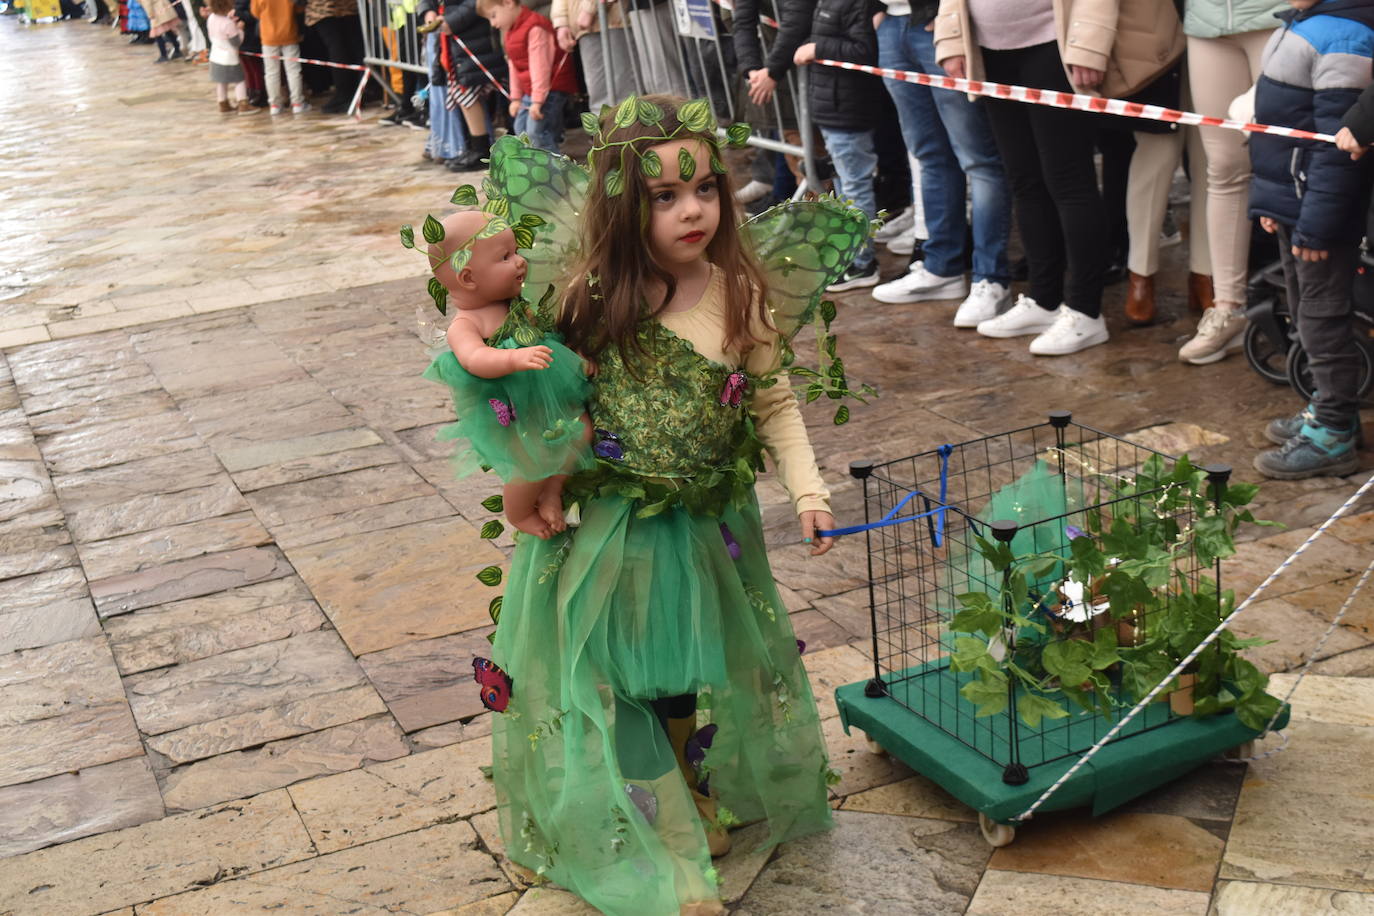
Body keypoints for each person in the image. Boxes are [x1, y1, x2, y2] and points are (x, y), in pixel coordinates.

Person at [484, 96, 841, 916]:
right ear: (622, 204)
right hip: (611, 531)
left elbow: (773, 401)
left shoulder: (739, 292)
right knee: (620, 678)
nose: (693, 212)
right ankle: (670, 845)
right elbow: (546, 413)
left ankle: (690, 782)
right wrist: (529, 493)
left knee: (680, 668)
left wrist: (810, 494)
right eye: (665, 197)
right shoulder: (590, 303)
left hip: (706, 526)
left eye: (706, 190)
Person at [934, 0, 1183, 356]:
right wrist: (952, 40)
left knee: (1068, 180)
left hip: (1054, 48)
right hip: (990, 51)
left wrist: (1089, 47)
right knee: (1024, 180)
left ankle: (1085, 312)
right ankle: (1043, 299)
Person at [1250, 0, 1374, 478]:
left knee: (1323, 318)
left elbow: (1337, 148)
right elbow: (1276, 132)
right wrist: (1270, 205)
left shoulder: (1345, 37)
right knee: (1303, 309)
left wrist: (1318, 223)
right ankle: (1325, 406)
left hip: (1321, 217)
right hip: (1294, 206)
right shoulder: (1298, 24)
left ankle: (1335, 431)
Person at [424, 211, 593, 536]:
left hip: (546, 394)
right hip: (509, 409)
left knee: (582, 430)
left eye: (516, 251)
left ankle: (553, 490)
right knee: (528, 463)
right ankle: (519, 513)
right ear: (469, 278)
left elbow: (548, 336)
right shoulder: (466, 324)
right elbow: (475, 358)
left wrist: (577, 360)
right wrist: (513, 358)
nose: (519, 262)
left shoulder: (516, 305)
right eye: (505, 257)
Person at [870, 0, 1014, 328]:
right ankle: (941, 267)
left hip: (936, 21)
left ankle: (990, 278)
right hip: (893, 22)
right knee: (930, 154)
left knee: (978, 159)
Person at [1178, 0, 1288, 363]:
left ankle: (1313, 309)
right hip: (1207, 23)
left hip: (1278, 16)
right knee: (1223, 167)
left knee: (1290, 160)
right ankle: (1227, 308)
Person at [794, 0, 882, 290]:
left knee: (855, 186)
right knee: (845, 185)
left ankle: (863, 262)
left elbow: (864, 51)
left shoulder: (857, 4)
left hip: (848, 110)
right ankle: (850, 254)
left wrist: (818, 48)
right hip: (832, 109)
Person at [476, 0, 575, 153]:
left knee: (537, 132)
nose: (493, 24)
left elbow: (540, 68)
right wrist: (515, 98)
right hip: (532, 90)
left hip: (550, 88)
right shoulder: (510, 31)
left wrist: (537, 102)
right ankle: (533, 168)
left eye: (493, 16)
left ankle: (554, 172)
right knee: (520, 128)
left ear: (508, 3)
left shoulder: (535, 27)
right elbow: (514, 67)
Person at [552, 0, 636, 112]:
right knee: (598, 97)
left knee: (623, 93)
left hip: (613, 19)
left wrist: (589, 8)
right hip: (583, 25)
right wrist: (561, 22)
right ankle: (604, 128)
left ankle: (629, 128)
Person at [251, 0, 307, 113]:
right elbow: (299, 9)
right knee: (293, 70)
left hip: (268, 36)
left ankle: (274, 105)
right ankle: (297, 102)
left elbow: (255, 12)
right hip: (289, 33)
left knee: (271, 72)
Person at [205, 0, 251, 113]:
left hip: (215, 55)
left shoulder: (211, 18)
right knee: (239, 80)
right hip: (229, 57)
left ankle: (223, 103)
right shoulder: (227, 23)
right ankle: (243, 104)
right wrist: (240, 29)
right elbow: (236, 42)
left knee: (221, 82)